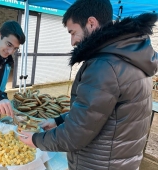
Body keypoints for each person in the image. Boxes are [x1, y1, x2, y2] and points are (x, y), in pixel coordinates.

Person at [19, 0, 158, 169]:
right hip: (121, 162)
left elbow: (75, 134)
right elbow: (100, 111)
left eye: (73, 32)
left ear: (91, 23)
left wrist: (35, 140)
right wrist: (59, 120)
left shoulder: (105, 66)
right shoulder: (130, 56)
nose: (72, 42)